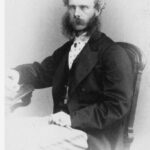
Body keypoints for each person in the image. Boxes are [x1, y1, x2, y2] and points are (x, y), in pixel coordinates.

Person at [7, 0, 134, 149]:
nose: (77, 14)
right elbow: (43, 71)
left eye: (84, 7)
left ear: (97, 10)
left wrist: (72, 120)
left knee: (26, 143)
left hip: (92, 135)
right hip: (62, 125)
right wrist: (16, 74)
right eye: (72, 7)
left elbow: (117, 106)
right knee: (11, 131)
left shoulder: (113, 53)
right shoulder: (71, 47)